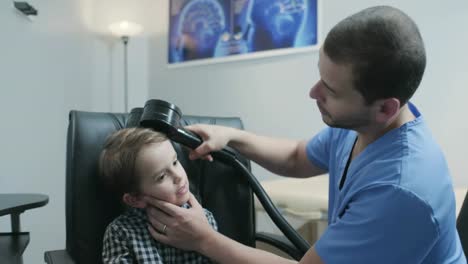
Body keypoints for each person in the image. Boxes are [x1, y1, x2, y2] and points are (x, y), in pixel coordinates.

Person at [144, 5, 467, 264]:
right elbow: (298, 157)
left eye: (330, 90)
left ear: (385, 108)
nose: (313, 93)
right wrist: (231, 136)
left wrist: (203, 239)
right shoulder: (365, 125)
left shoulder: (401, 190)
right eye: (319, 78)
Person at [99, 128, 217, 263]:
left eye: (175, 162)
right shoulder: (120, 233)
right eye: (161, 177)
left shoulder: (205, 220)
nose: (178, 176)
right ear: (135, 199)